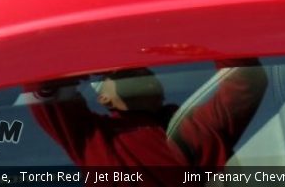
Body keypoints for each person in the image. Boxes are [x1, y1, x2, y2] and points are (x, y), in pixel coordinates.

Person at [29, 60, 268, 167]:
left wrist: (205, 30)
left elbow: (246, 82)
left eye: (142, 69)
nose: (137, 70)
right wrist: (88, 59)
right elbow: (43, 90)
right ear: (103, 99)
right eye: (118, 73)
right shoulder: (94, 139)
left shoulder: (197, 123)